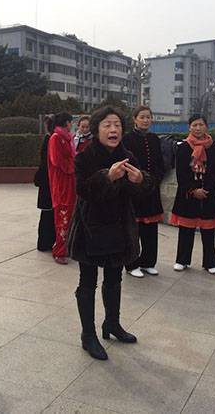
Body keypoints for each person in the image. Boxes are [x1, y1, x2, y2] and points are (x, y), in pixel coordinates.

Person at [67, 106, 151, 360]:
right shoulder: (84, 157)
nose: (113, 129)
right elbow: (82, 190)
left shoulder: (128, 156)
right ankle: (88, 335)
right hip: (91, 228)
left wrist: (141, 180)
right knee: (88, 282)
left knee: (114, 279)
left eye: (117, 125)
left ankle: (112, 324)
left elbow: (142, 192)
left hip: (119, 227)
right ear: (96, 129)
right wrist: (107, 177)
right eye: (107, 125)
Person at [170, 114, 215, 275]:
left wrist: (207, 189)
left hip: (209, 195)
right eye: (194, 125)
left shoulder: (214, 147)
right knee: (186, 230)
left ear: (206, 127)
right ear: (189, 127)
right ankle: (182, 260)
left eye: (201, 125)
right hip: (188, 195)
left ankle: (210, 262)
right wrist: (194, 190)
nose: (198, 128)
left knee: (208, 232)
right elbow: (181, 173)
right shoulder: (184, 147)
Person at [122, 106, 166, 278]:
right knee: (134, 229)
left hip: (151, 189)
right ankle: (132, 264)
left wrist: (155, 180)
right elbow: (125, 164)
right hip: (133, 190)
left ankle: (148, 262)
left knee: (151, 229)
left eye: (148, 117)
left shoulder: (155, 139)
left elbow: (160, 163)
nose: (146, 120)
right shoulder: (127, 139)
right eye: (142, 117)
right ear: (135, 119)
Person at [48, 111, 76, 265]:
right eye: (71, 122)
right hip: (61, 183)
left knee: (69, 216)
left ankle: (66, 248)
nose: (72, 125)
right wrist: (73, 166)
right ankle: (59, 251)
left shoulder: (67, 138)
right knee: (62, 218)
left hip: (70, 181)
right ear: (66, 122)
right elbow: (56, 160)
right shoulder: (56, 138)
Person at [34, 115, 56, 251]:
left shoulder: (49, 138)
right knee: (48, 214)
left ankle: (46, 243)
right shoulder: (51, 140)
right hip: (48, 182)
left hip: (48, 182)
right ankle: (45, 243)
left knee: (48, 214)